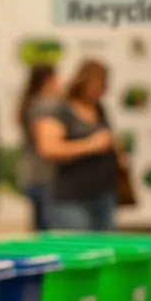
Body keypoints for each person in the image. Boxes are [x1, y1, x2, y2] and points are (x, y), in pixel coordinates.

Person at [35, 59, 120, 231]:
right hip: (71, 198)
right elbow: (48, 148)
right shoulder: (59, 109)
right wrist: (90, 145)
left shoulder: (99, 109)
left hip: (103, 194)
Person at [17, 65, 61, 231]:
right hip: (45, 176)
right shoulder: (45, 106)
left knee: (39, 226)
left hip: (31, 174)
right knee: (47, 229)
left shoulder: (29, 104)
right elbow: (45, 145)